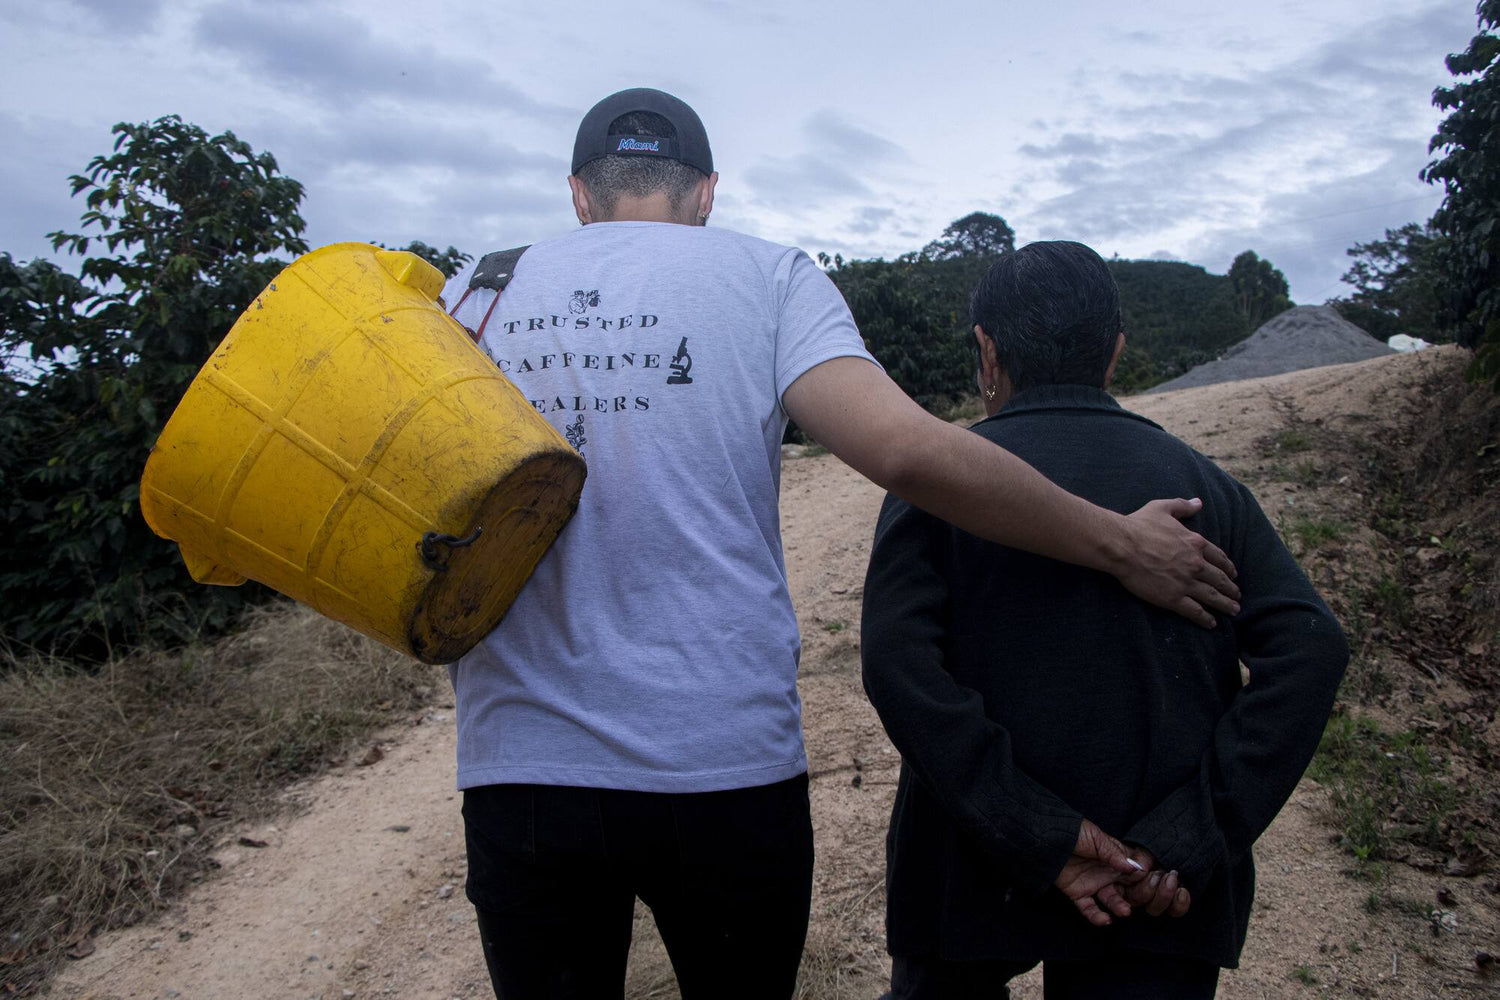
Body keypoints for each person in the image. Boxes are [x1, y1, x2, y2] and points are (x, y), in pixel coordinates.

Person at [443, 89, 1241, 999]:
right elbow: (906, 453)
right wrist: (1118, 544)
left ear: (580, 196)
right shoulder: (767, 276)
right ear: (706, 194)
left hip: (522, 769)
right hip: (725, 768)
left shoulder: (476, 292)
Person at [861, 240, 1349, 999]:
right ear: (1116, 352)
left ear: (987, 352)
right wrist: (1188, 834)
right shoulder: (1206, 489)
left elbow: (899, 667)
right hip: (1153, 888)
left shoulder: (940, 486)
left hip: (967, 866)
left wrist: (1033, 831)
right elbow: (1311, 650)